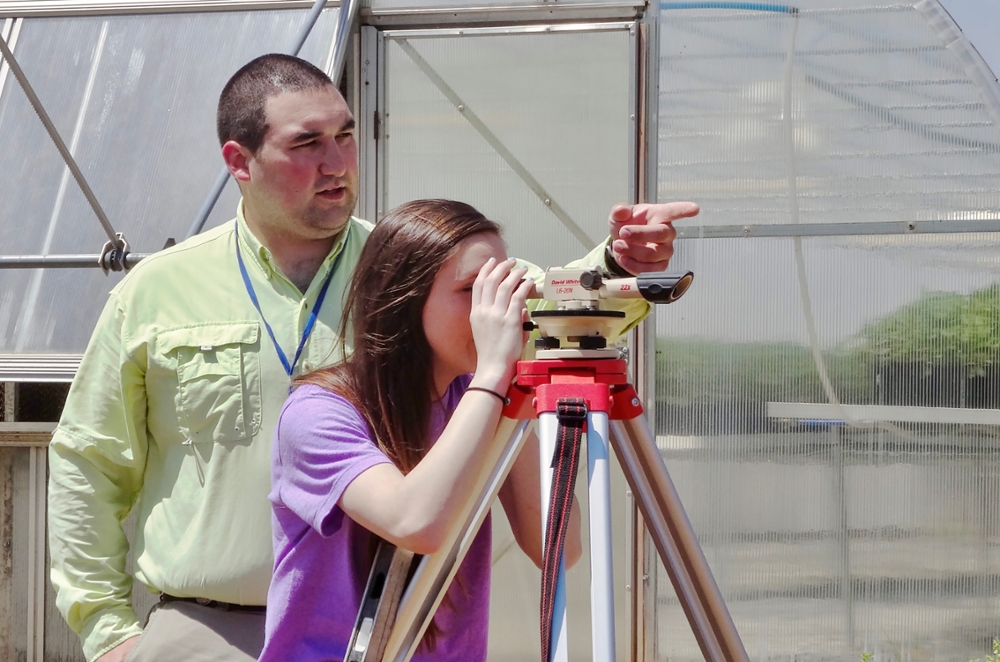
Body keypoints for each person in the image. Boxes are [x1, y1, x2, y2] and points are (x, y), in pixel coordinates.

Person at [47, 53, 700, 662]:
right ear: (239, 161)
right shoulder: (157, 290)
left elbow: (542, 298)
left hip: (407, 617)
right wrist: (107, 631)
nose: (338, 162)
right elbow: (90, 460)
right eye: (307, 143)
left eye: (346, 136)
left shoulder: (412, 264)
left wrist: (618, 263)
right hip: (210, 627)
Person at [258, 199, 576, 662]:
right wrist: (493, 377)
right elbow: (415, 523)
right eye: (473, 289)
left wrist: (513, 383)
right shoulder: (317, 414)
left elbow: (559, 548)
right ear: (404, 301)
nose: (497, 310)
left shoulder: (478, 397)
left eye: (503, 288)